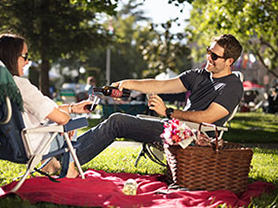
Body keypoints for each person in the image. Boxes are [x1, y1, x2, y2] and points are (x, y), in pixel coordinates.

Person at [56, 34, 243, 176]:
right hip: (178, 129)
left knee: (116, 122)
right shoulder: (199, 75)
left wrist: (169, 112)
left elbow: (208, 117)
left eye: (215, 56)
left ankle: (66, 162)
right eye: (208, 51)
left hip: (197, 136)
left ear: (229, 61)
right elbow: (160, 85)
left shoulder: (232, 86)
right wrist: (126, 83)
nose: (209, 57)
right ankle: (65, 160)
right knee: (117, 120)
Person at [0, 34, 92, 178]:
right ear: (12, 56)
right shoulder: (20, 85)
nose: (27, 61)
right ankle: (70, 171)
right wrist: (68, 118)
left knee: (67, 116)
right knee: (70, 120)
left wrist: (72, 107)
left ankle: (51, 165)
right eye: (25, 56)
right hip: (29, 147)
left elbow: (45, 109)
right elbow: (59, 117)